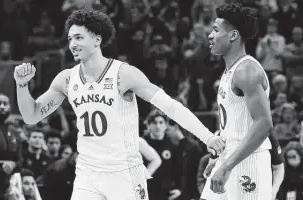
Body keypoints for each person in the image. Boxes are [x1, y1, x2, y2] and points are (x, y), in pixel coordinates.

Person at [13, 8, 225, 200]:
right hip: (88, 173)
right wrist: (22, 86)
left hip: (124, 173)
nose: (72, 44)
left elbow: (170, 106)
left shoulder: (123, 74)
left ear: (97, 39)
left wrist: (207, 136)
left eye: (79, 37)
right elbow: (32, 116)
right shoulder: (66, 79)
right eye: (70, 39)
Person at [200, 2, 273, 200]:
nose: (210, 35)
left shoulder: (246, 70)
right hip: (231, 158)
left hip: (249, 163)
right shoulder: (230, 70)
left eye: (216, 30)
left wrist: (228, 164)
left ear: (233, 35)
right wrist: (221, 158)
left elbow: (264, 123)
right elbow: (235, 124)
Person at [202, 133, 285, 200]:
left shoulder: (266, 133)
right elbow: (212, 168)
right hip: (226, 189)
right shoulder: (222, 135)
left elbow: (278, 167)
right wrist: (220, 162)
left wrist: (273, 192)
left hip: (254, 185)